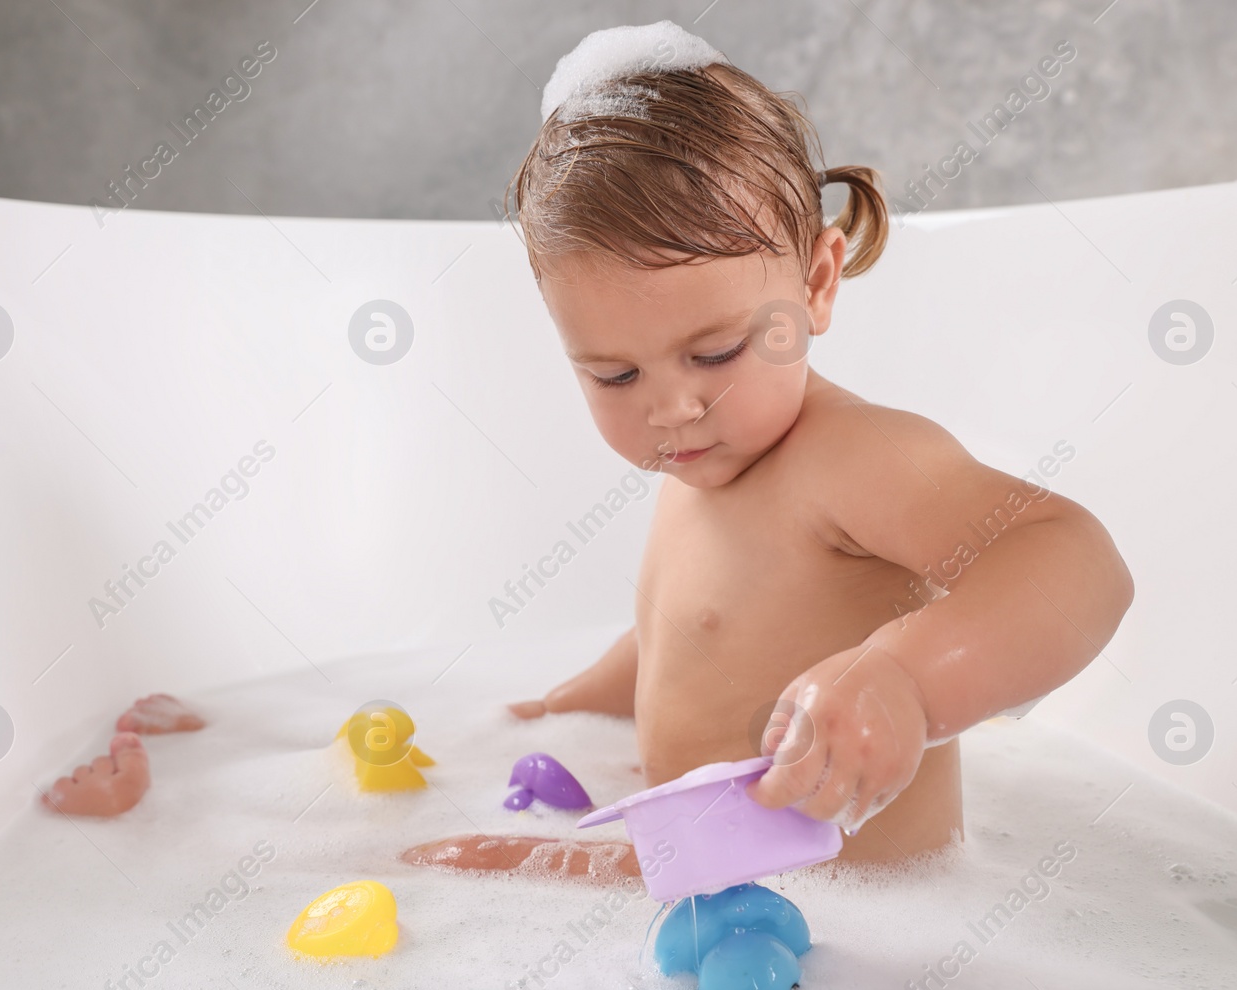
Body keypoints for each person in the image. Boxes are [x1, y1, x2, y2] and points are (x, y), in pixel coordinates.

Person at [405, 22, 1133, 874]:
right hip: (716, 887)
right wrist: (566, 705)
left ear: (819, 283)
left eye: (715, 354)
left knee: (490, 876)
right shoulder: (706, 458)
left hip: (856, 925)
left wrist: (909, 679)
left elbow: (1078, 561)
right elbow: (685, 627)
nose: (673, 407)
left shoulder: (852, 459)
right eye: (613, 375)